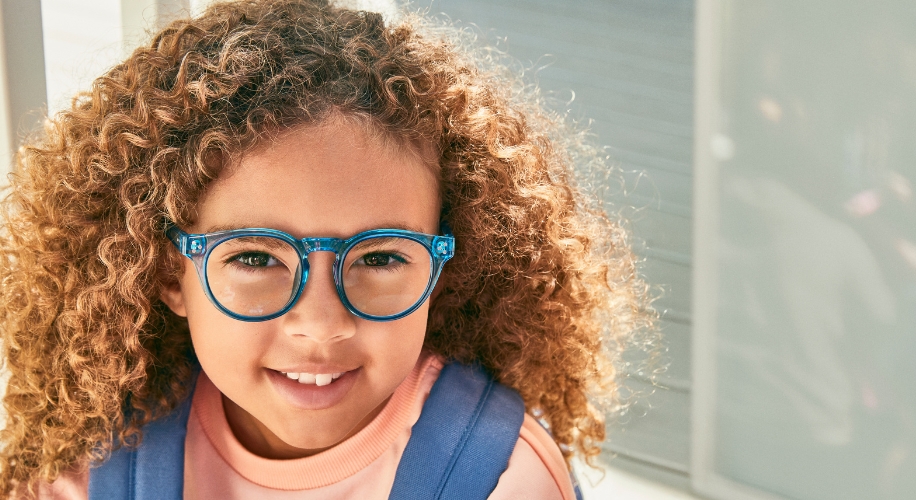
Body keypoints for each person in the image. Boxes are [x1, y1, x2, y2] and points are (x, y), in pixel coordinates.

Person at [0, 0, 654, 498]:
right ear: (172, 273)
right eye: (255, 258)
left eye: (379, 258)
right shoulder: (93, 454)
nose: (320, 325)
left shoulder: (499, 481)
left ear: (445, 268)